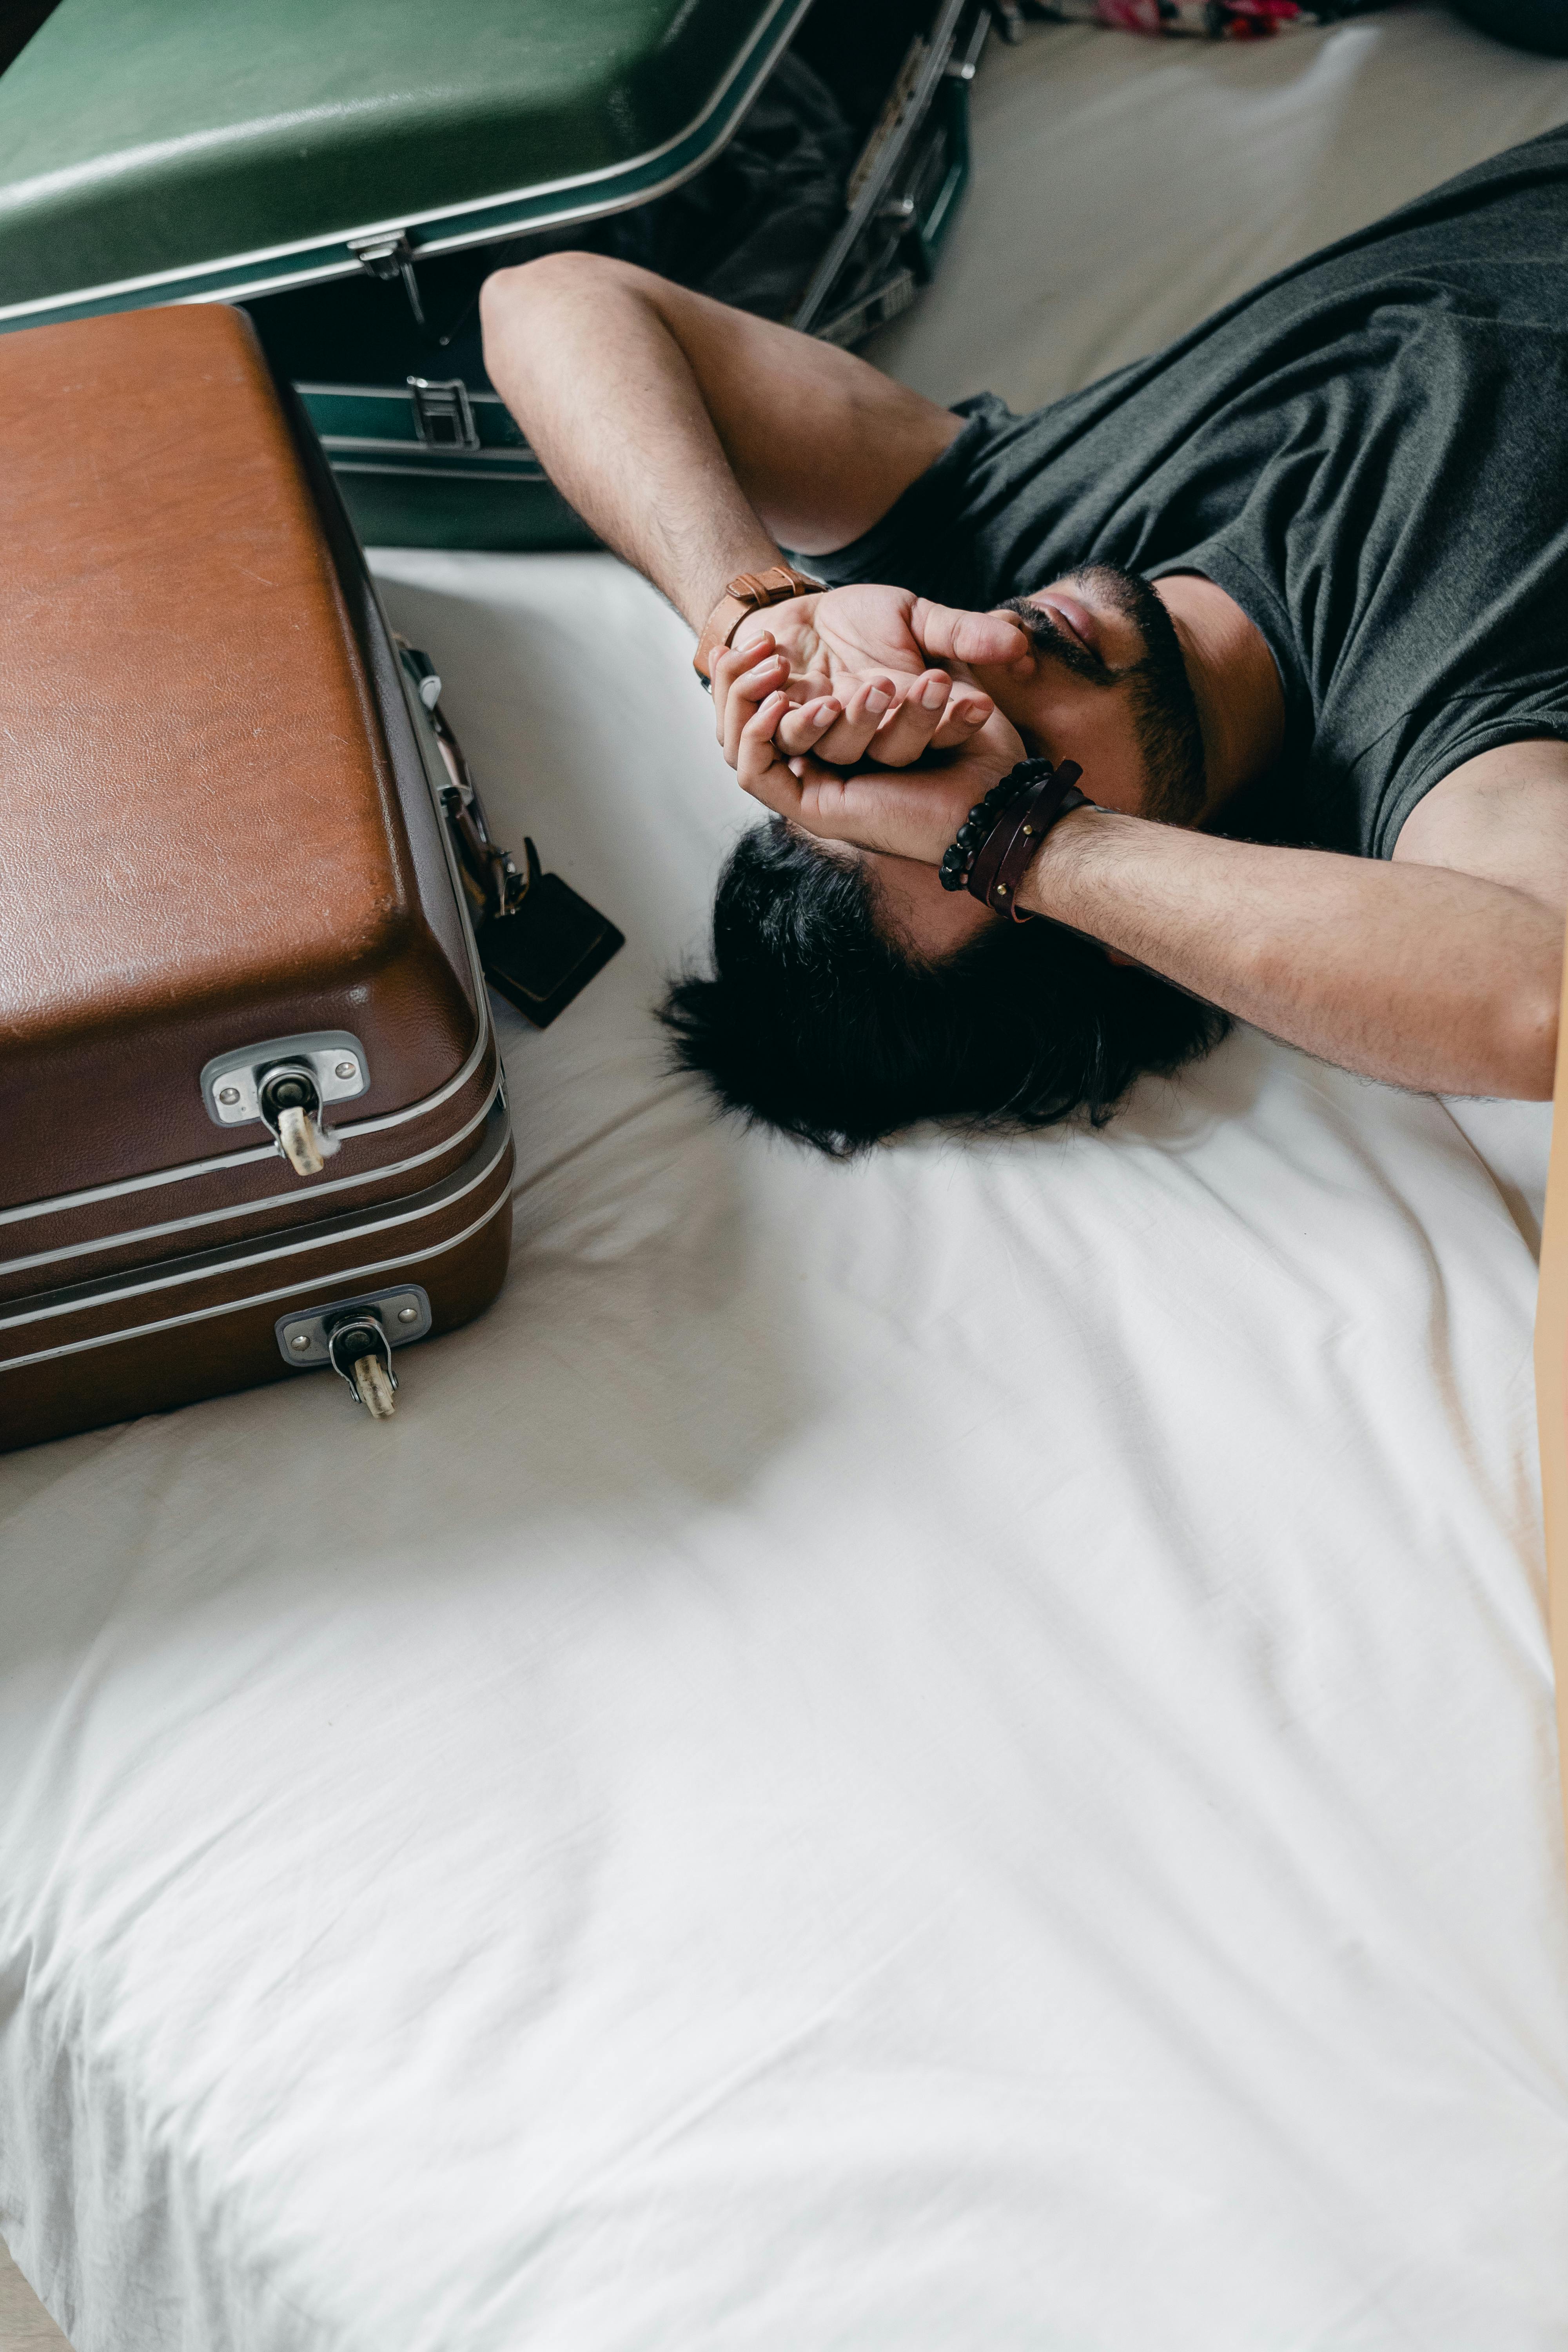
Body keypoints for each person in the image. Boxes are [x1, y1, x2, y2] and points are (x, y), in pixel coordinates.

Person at [479, 128, 1568, 1153]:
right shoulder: (1431, 735)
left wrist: (753, 616)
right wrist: (1027, 840)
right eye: (979, 771)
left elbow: (549, 298)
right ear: (1122, 928)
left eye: (893, 739)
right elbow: (1543, 995)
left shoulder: (1004, 531)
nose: (974, 674)